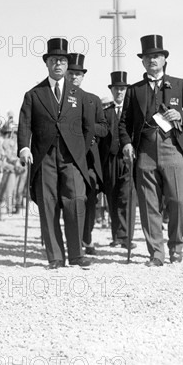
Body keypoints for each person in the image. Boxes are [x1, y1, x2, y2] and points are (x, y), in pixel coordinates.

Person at [119, 35, 183, 266]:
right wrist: (126, 143)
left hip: (173, 147)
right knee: (148, 204)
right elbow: (123, 123)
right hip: (144, 150)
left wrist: (181, 115)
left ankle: (176, 246)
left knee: (176, 199)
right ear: (142, 62)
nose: (152, 60)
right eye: (147, 57)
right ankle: (156, 253)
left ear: (164, 59)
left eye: (156, 56)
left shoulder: (180, 83)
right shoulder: (135, 90)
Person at [17, 38, 93, 269]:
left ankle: (77, 254)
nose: (58, 64)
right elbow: (24, 124)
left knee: (76, 201)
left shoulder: (80, 96)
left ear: (67, 64)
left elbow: (88, 127)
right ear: (47, 63)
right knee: (48, 204)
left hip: (72, 158)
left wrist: (81, 151)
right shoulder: (34, 94)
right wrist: (24, 147)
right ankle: (55, 257)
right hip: (44, 157)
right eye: (53, 60)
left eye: (62, 60)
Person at [65, 53, 108, 255]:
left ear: (83, 77)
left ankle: (87, 237)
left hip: (89, 159)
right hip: (65, 157)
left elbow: (104, 127)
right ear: (65, 74)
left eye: (78, 74)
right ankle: (69, 240)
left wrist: (90, 131)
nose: (74, 77)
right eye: (71, 73)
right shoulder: (58, 100)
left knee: (89, 198)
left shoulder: (93, 100)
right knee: (68, 198)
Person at [99, 71, 136, 248]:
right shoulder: (104, 113)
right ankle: (116, 236)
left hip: (128, 159)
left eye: (122, 89)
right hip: (110, 160)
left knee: (127, 197)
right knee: (112, 197)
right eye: (116, 89)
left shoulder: (132, 113)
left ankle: (127, 236)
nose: (119, 92)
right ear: (112, 90)